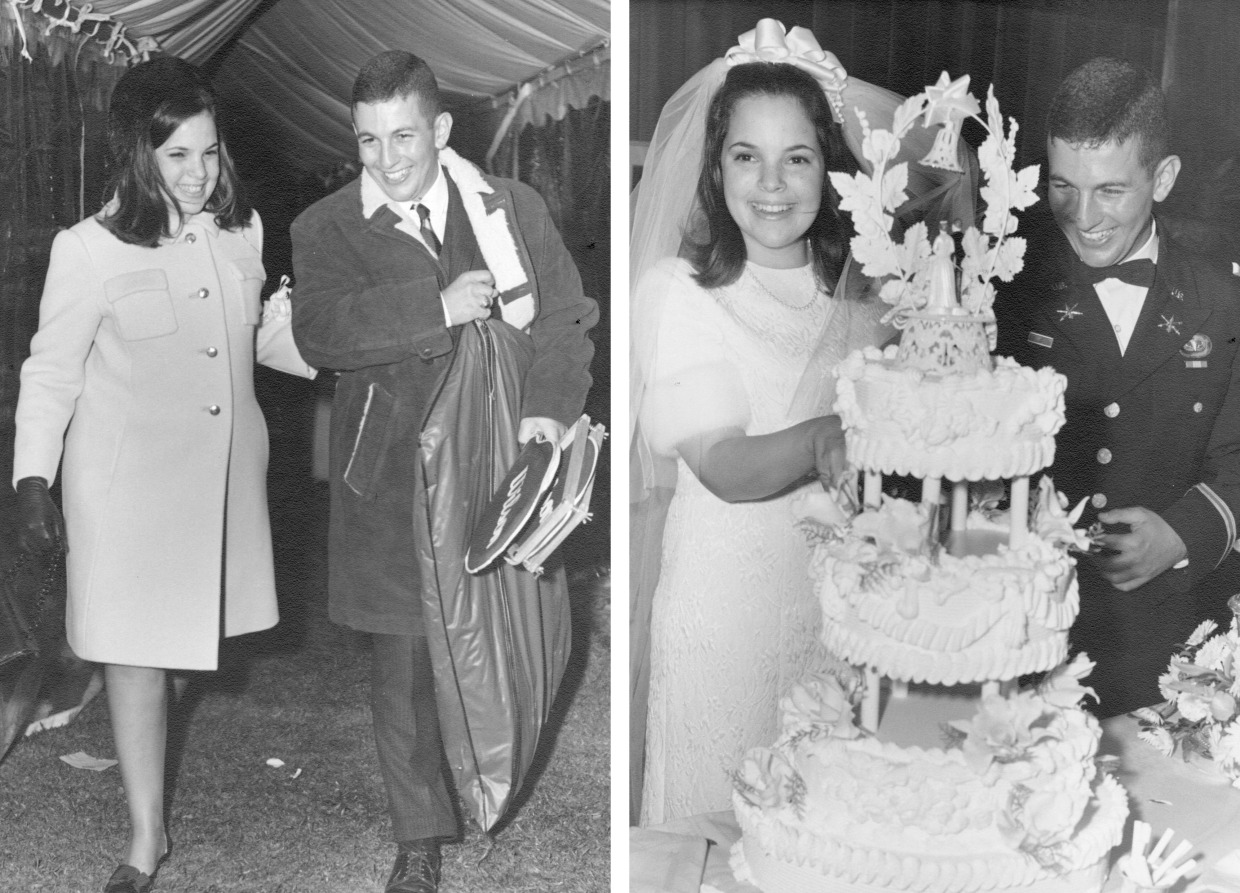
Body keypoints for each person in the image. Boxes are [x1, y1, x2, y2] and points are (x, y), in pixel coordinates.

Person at [627, 16, 983, 824]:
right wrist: (826, 437)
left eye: (799, 157)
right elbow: (723, 461)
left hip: (831, 619)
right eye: (746, 156)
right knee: (720, 834)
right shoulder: (677, 291)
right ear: (715, 168)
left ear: (832, 170)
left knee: (822, 838)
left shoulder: (861, 294)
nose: (773, 183)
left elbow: (950, 163)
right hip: (724, 623)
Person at [289, 51, 596, 893]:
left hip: (499, 459)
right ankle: (418, 832)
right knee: (404, 658)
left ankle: (494, 773)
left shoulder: (511, 209)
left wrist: (548, 409)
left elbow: (567, 315)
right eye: (368, 142)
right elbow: (321, 331)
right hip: (387, 475)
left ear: (442, 129)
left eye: (404, 138)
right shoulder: (325, 228)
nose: (387, 162)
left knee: (506, 630)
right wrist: (436, 309)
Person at [13, 56, 308, 893]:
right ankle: (146, 837)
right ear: (136, 154)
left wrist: (356, 342)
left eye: (209, 153)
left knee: (178, 650)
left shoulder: (240, 233)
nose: (197, 174)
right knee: (136, 655)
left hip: (213, 490)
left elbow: (264, 345)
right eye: (176, 156)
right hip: (124, 487)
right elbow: (51, 372)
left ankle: (141, 757)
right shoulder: (88, 248)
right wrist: (32, 478)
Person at [995, 57, 1240, 718]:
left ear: (1162, 178)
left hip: (1173, 648)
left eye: (1110, 190)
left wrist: (1186, 532)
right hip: (1024, 642)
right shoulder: (1009, 288)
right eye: (1063, 186)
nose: (1082, 215)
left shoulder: (1224, 301)